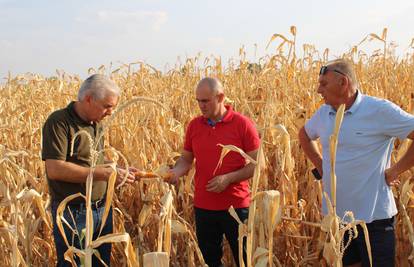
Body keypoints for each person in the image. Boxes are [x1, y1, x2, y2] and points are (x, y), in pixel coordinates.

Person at [299, 59, 414, 267]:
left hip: (374, 219)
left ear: (343, 82)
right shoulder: (325, 113)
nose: (318, 90)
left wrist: (395, 170)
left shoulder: (379, 110)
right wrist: (320, 164)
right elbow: (304, 135)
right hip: (338, 218)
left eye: (324, 84)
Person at [42, 74, 136, 266]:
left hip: (102, 209)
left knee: (101, 262)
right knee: (74, 263)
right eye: (107, 106)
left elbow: (94, 160)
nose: (110, 112)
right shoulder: (59, 122)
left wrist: (117, 169)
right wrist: (101, 174)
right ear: (88, 99)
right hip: (73, 214)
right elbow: (55, 169)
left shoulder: (96, 123)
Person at [169, 77, 260, 267]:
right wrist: (175, 173)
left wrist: (228, 178)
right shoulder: (194, 126)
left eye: (205, 101)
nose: (201, 106)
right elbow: (186, 159)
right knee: (210, 261)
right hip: (204, 207)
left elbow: (258, 165)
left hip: (236, 207)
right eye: (198, 101)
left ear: (221, 97)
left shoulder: (242, 124)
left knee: (245, 259)